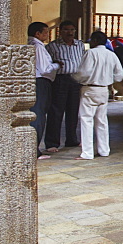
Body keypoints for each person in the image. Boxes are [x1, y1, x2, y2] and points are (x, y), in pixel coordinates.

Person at [72, 31, 123, 160]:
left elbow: (83, 72)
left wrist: (75, 77)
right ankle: (104, 150)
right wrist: (107, 78)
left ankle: (87, 152)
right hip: (104, 90)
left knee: (86, 120)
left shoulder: (91, 53)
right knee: (101, 121)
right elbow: (119, 75)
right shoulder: (111, 55)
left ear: (95, 40)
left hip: (90, 88)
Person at [44, 20, 86, 153]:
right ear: (60, 31)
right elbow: (47, 63)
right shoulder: (52, 46)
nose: (70, 33)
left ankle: (72, 139)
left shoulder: (79, 45)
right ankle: (52, 142)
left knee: (73, 111)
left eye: (72, 30)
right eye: (67, 30)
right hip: (60, 79)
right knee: (56, 111)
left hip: (75, 79)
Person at [28, 22, 59, 159]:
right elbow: (45, 68)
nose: (47, 35)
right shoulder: (38, 47)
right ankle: (35, 150)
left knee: (38, 114)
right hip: (40, 81)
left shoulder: (34, 45)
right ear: (37, 34)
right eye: (45, 32)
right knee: (38, 115)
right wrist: (57, 64)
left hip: (38, 81)